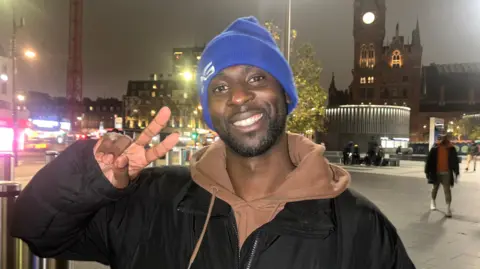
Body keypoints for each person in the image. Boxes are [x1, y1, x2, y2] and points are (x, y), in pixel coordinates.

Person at [12, 17, 415, 269]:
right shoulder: (154, 202)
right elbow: (35, 230)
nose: (239, 96)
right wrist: (91, 178)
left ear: (286, 95)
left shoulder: (358, 226)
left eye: (257, 78)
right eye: (220, 86)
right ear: (210, 110)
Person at [425, 134, 459, 217]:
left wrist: (456, 172)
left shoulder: (451, 148)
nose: (442, 140)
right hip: (436, 172)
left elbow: (455, 161)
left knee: (447, 190)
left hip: (446, 173)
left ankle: (448, 208)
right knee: (435, 188)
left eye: (444, 138)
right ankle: (433, 201)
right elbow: (429, 160)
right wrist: (427, 171)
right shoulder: (435, 148)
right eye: (440, 138)